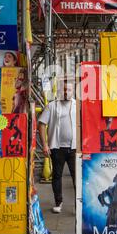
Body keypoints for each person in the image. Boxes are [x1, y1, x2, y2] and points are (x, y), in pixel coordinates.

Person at [38, 80, 76, 213]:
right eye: (64, 90)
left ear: (73, 91)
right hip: (56, 148)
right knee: (57, 176)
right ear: (60, 91)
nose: (67, 92)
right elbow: (41, 124)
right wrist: (44, 145)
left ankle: (78, 205)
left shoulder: (79, 106)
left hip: (75, 148)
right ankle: (58, 203)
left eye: (69, 90)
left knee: (77, 177)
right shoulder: (51, 106)